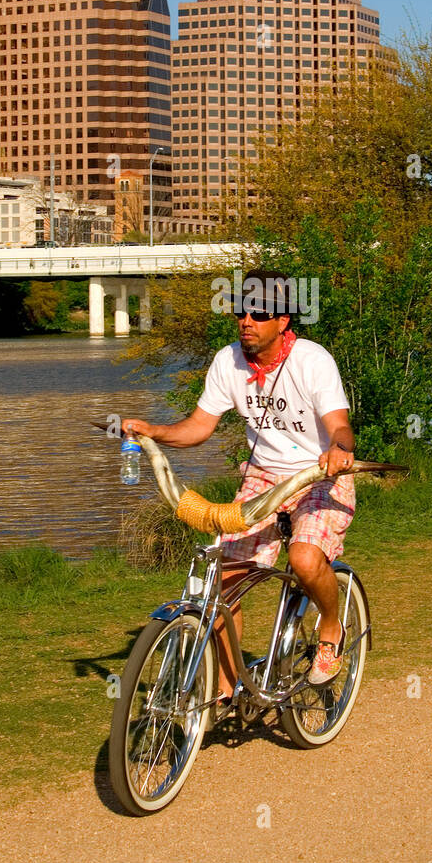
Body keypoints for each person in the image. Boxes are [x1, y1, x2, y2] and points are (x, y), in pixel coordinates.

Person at [121, 269, 356, 702]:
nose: (246, 321)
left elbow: (339, 426)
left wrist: (339, 451)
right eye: (240, 312)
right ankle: (228, 688)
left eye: (259, 313)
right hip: (263, 478)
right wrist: (152, 430)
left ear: (283, 320)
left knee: (305, 561)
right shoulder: (227, 361)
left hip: (318, 474)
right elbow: (197, 428)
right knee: (223, 581)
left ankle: (330, 626)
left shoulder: (312, 360)